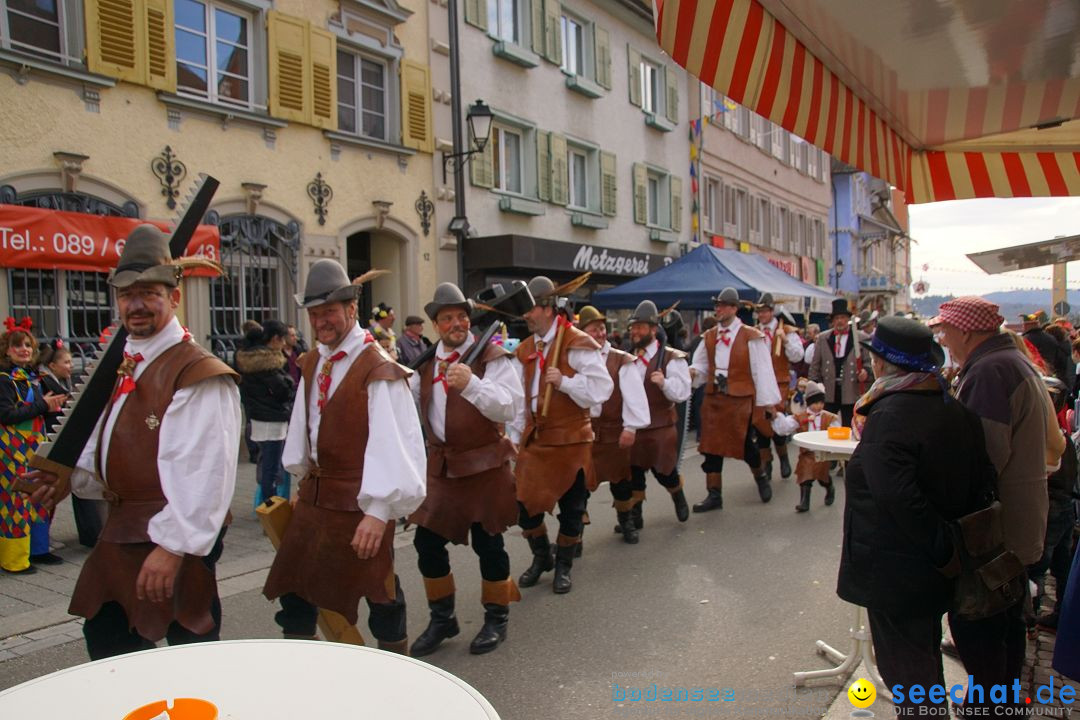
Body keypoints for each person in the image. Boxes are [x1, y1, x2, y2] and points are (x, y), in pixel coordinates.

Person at [25, 224, 241, 659]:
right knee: (109, 645)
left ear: (174, 297)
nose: (136, 304)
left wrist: (173, 547)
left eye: (149, 292)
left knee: (189, 658)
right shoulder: (130, 360)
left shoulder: (196, 371)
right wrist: (74, 476)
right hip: (121, 528)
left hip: (169, 536)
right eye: (126, 294)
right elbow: (110, 438)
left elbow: (205, 471)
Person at [262, 260, 425, 653]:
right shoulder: (313, 360)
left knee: (379, 592)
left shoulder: (379, 368)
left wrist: (379, 510)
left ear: (352, 309)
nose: (321, 322)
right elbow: (305, 422)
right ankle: (310, 679)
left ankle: (396, 680)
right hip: (316, 499)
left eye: (329, 312)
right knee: (295, 593)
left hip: (361, 502)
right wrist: (303, 478)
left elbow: (394, 441)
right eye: (315, 314)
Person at [836, 316, 989, 716]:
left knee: (912, 680)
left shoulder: (890, 414)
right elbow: (979, 482)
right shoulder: (951, 407)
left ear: (884, 364)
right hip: (930, 570)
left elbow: (897, 497)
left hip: (898, 573)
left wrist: (940, 549)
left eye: (874, 358)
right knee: (921, 668)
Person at [929, 296, 1057, 705]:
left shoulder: (990, 371)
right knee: (1006, 621)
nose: (943, 338)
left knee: (981, 628)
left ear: (966, 331)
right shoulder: (1003, 362)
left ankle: (989, 706)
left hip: (996, 530)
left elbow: (982, 457)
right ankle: (999, 701)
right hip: (1017, 520)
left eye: (945, 330)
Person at [407, 283, 523, 657]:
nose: (456, 323)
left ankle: (497, 617)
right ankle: (443, 618)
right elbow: (409, 411)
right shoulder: (424, 364)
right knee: (426, 541)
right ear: (436, 325)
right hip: (441, 465)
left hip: (484, 465)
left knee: (489, 543)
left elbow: (508, 407)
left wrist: (472, 384)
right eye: (447, 318)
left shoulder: (491, 356)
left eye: (461, 316)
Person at [509, 276, 612, 594]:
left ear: (547, 308)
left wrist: (565, 382)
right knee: (523, 507)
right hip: (537, 438)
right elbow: (518, 399)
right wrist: (513, 437)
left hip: (571, 440)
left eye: (530, 310)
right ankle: (542, 558)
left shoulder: (576, 341)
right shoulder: (526, 348)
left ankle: (564, 565)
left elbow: (602, 389)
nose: (525, 316)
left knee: (572, 510)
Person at [689, 288, 781, 512]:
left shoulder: (750, 336)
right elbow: (701, 364)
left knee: (743, 443)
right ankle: (714, 494)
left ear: (733, 308)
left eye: (722, 305)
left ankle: (761, 477)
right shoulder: (709, 336)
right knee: (710, 446)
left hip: (739, 398)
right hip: (714, 397)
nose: (718, 309)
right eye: (716, 306)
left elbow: (762, 370)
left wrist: (768, 401)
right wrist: (692, 373)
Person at [576, 306, 650, 544]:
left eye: (602, 328)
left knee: (620, 481)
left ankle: (626, 522)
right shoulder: (574, 357)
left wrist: (631, 428)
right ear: (582, 332)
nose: (599, 333)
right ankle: (574, 536)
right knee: (579, 487)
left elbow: (634, 396)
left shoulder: (622, 360)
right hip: (583, 433)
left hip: (612, 431)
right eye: (594, 329)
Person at [0, 320, 65, 573]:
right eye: (17, 346)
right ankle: (14, 560)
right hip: (10, 450)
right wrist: (42, 405)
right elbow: (6, 414)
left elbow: (56, 401)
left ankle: (38, 550)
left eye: (28, 345)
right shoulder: (4, 379)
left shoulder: (33, 377)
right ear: (6, 350)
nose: (24, 350)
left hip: (34, 447)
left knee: (39, 496)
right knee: (15, 501)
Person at [625, 300, 692, 530]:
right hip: (634, 425)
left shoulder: (671, 358)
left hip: (660, 425)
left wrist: (664, 383)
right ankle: (635, 515)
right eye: (633, 327)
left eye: (640, 327)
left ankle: (677, 494)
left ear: (653, 330)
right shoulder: (627, 357)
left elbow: (683, 391)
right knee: (633, 472)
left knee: (664, 471)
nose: (635, 332)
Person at [38, 339, 106, 549]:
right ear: (52, 366)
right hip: (54, 442)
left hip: (61, 442)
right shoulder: (47, 383)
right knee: (51, 491)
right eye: (66, 362)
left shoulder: (59, 382)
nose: (70, 366)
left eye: (70, 361)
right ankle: (41, 537)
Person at [1027, 376, 1075, 631]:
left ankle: (1031, 620)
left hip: (1053, 506)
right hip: (1065, 506)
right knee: (1061, 566)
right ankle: (1062, 614)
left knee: (1038, 567)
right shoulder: (1062, 434)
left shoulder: (1049, 436)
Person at [236, 320, 296, 505]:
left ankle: (267, 506)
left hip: (261, 418)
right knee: (271, 469)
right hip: (272, 420)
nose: (285, 343)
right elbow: (283, 390)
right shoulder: (266, 364)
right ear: (275, 339)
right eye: (284, 339)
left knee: (269, 467)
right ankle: (269, 509)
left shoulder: (250, 358)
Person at [754, 293, 804, 480]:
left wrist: (785, 339)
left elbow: (798, 356)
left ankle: (783, 458)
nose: (761, 314)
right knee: (759, 423)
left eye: (765, 310)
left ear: (772, 311)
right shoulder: (753, 331)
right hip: (759, 384)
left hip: (779, 383)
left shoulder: (786, 330)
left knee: (775, 419)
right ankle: (766, 462)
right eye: (759, 311)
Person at [777, 380, 839, 512]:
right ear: (809, 403)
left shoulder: (827, 417)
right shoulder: (802, 416)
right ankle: (804, 502)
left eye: (821, 403)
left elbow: (835, 429)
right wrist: (777, 419)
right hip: (807, 453)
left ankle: (829, 488)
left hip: (821, 454)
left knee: (823, 478)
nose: (819, 406)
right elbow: (788, 425)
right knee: (805, 478)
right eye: (816, 403)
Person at [808, 298, 871, 427]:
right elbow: (815, 365)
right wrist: (815, 386)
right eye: (836, 318)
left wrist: (866, 371)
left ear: (848, 319)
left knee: (850, 426)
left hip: (851, 390)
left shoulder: (861, 338)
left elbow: (869, 363)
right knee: (824, 427)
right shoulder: (823, 338)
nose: (839, 321)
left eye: (842, 317)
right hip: (828, 391)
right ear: (832, 321)